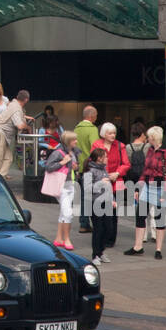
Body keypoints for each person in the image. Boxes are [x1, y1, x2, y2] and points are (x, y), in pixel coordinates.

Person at [124, 125, 166, 259]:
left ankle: (158, 249)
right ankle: (138, 246)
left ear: (154, 138)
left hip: (160, 188)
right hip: (147, 186)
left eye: (149, 137)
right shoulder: (151, 150)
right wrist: (137, 188)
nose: (147, 139)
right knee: (140, 215)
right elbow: (145, 171)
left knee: (159, 219)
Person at [91, 122, 130, 250]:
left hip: (116, 181)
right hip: (102, 181)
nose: (113, 135)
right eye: (110, 133)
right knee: (101, 211)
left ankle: (110, 239)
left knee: (113, 213)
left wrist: (117, 173)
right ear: (104, 134)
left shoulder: (120, 146)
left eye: (114, 133)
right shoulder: (97, 145)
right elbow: (93, 161)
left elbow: (126, 164)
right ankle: (101, 236)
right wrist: (104, 175)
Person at [45, 131, 81, 251]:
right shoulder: (58, 152)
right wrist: (63, 162)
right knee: (68, 213)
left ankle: (59, 238)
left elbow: (76, 165)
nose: (76, 141)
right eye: (74, 140)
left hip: (71, 184)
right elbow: (48, 167)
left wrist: (76, 167)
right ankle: (67, 239)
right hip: (61, 185)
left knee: (63, 212)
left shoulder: (73, 152)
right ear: (68, 141)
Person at [0, 90, 29, 177]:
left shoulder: (13, 104)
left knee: (8, 158)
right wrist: (27, 127)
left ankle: (0, 179)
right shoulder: (16, 108)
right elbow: (20, 126)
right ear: (26, 100)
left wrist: (26, 118)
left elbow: (17, 116)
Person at [84, 148, 114, 266]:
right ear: (99, 158)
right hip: (94, 203)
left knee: (109, 228)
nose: (107, 158)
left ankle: (101, 252)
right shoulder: (89, 171)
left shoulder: (104, 169)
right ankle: (95, 254)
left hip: (106, 202)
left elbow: (109, 187)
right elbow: (87, 189)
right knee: (98, 229)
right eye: (105, 156)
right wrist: (101, 182)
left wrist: (113, 200)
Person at [73, 105, 99, 234]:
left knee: (82, 196)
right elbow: (95, 149)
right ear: (92, 116)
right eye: (96, 115)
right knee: (90, 197)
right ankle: (86, 223)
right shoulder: (92, 129)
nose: (96, 118)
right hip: (90, 168)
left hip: (79, 167)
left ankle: (83, 222)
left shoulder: (76, 129)